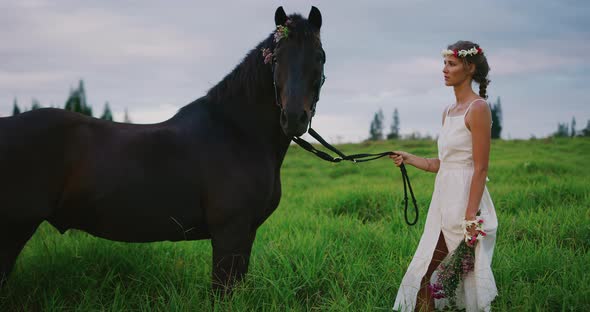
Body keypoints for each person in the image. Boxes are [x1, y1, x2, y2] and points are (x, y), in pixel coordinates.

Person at [391, 41, 498, 312]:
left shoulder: (479, 108)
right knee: (425, 271)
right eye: (444, 64)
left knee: (433, 273)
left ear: (469, 67)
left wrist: (470, 217)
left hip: (465, 202)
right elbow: (443, 163)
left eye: (451, 64)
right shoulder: (448, 112)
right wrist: (409, 157)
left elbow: (480, 167)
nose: (444, 70)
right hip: (442, 201)